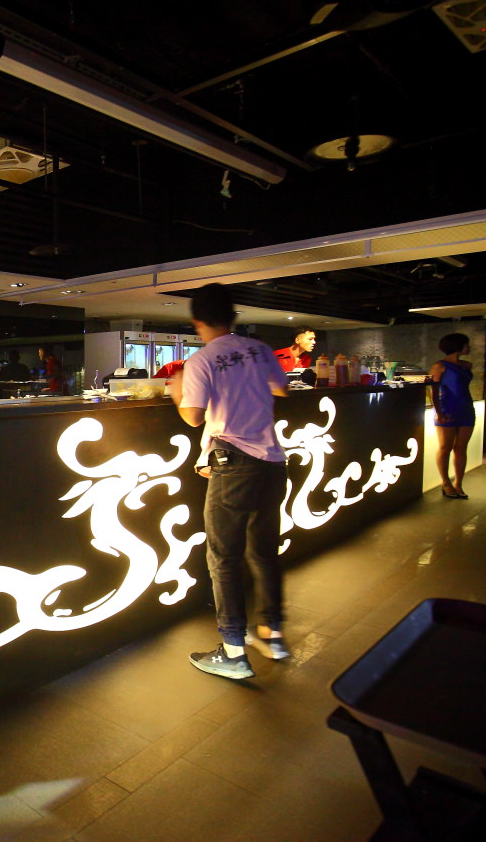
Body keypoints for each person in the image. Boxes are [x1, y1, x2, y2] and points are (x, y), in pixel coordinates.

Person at [169, 283, 290, 680]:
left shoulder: (202, 360)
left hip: (234, 462)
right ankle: (272, 634)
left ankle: (234, 651)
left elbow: (192, 416)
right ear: (233, 316)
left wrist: (176, 391)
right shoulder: (260, 350)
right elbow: (282, 388)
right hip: (273, 460)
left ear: (197, 321)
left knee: (223, 557)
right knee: (264, 552)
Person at [428, 333, 475, 499]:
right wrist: (438, 412)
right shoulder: (439, 366)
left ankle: (459, 484)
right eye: (466, 344)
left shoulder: (466, 365)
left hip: (466, 408)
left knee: (461, 448)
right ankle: (446, 483)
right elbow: (433, 391)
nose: (469, 347)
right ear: (458, 346)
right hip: (447, 408)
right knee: (445, 447)